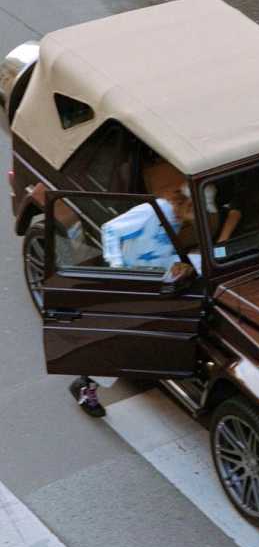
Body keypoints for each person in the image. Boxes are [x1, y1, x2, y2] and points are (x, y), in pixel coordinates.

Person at [70, 164, 241, 417]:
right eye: (201, 211)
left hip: (156, 280)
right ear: (189, 205)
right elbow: (111, 230)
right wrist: (118, 269)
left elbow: (161, 251)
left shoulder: (176, 219)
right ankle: (86, 384)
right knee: (124, 342)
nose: (202, 216)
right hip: (135, 285)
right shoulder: (152, 212)